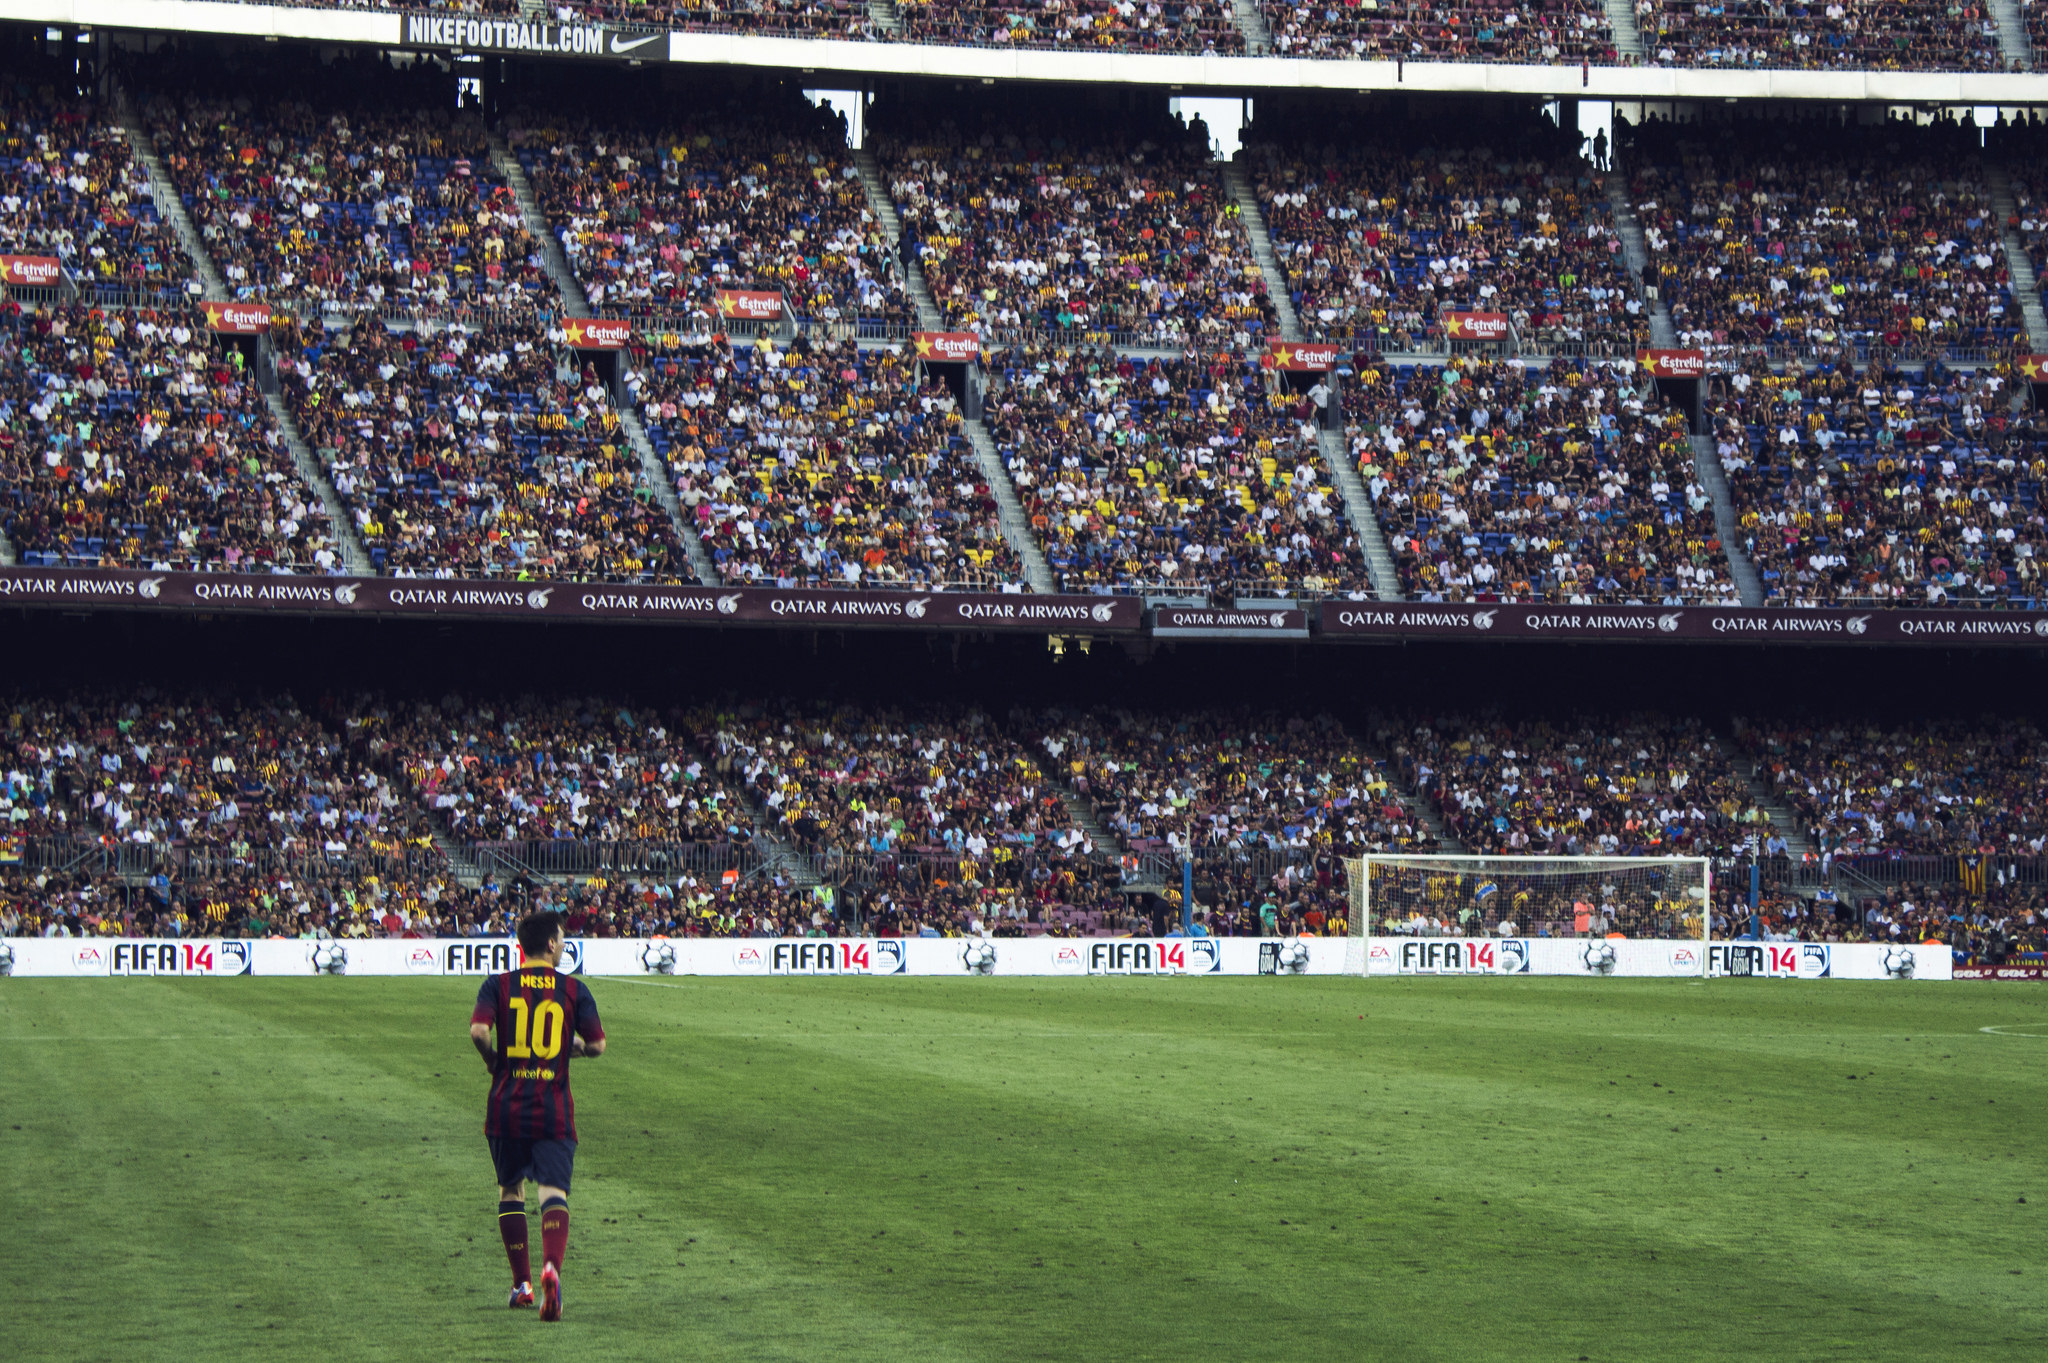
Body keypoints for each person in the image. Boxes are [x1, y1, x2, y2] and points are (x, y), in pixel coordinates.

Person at [469, 910, 606, 1321]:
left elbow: (478, 1031)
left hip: (506, 1106)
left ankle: (522, 1285)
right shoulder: (573, 988)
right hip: (552, 1109)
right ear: (550, 945)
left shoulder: (498, 984)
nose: (563, 945)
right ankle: (551, 1269)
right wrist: (574, 1049)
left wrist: (492, 1060)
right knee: (553, 1192)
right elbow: (597, 1045)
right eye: (561, 939)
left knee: (510, 1190)